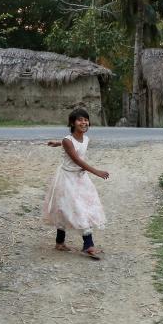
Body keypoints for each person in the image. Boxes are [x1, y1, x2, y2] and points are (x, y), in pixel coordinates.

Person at [42, 108, 109, 260]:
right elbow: (77, 159)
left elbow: (73, 145)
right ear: (72, 123)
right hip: (67, 179)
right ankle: (88, 245)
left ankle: (60, 243)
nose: (84, 122)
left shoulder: (85, 139)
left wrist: (58, 143)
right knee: (76, 209)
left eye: (86, 120)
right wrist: (97, 171)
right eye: (80, 120)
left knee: (77, 207)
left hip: (80, 179)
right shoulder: (67, 140)